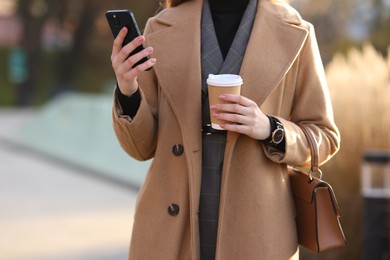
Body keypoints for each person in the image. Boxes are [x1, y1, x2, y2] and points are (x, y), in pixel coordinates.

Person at [110, 0, 340, 259]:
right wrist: (127, 88)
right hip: (170, 229)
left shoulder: (296, 30)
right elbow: (140, 148)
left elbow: (325, 137)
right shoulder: (160, 27)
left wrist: (269, 128)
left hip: (258, 231)